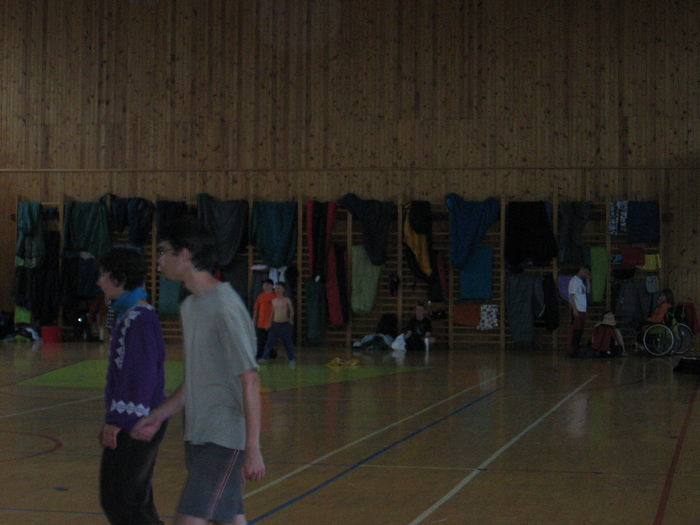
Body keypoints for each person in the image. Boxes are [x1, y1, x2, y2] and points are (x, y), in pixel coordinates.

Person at [131, 218, 265, 525]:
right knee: (229, 517)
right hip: (198, 434)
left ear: (186, 254)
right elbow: (196, 379)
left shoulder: (225, 306)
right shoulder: (190, 306)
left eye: (165, 252)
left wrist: (252, 447)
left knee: (189, 518)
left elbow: (250, 379)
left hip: (225, 438)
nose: (159, 260)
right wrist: (159, 415)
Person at [97, 247, 168, 525]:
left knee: (120, 499)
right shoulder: (131, 316)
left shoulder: (139, 319)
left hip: (137, 421)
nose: (99, 282)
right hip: (139, 418)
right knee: (132, 499)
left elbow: (139, 375)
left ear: (120, 278)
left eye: (104, 275)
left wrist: (119, 421)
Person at [258, 282, 297, 366]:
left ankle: (292, 359)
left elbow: (291, 310)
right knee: (269, 342)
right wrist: (269, 323)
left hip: (285, 324)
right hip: (275, 324)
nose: (277, 290)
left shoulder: (286, 300)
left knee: (288, 342)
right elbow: (272, 313)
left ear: (283, 289)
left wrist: (291, 319)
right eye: (276, 288)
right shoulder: (274, 300)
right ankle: (264, 358)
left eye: (279, 288)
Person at [567, 265, 591, 357]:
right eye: (586, 272)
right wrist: (575, 309)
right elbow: (571, 296)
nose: (586, 274)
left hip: (582, 309)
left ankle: (576, 349)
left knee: (579, 331)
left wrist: (588, 280)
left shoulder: (581, 281)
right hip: (577, 309)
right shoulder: (574, 281)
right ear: (581, 270)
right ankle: (571, 351)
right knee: (575, 331)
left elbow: (588, 292)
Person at [252, 278, 276, 359]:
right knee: (260, 340)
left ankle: (270, 353)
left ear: (271, 286)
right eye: (264, 285)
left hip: (271, 322)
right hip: (261, 322)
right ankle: (259, 355)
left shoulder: (275, 296)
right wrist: (254, 320)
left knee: (270, 340)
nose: (265, 286)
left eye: (267, 285)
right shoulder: (260, 296)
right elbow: (256, 309)